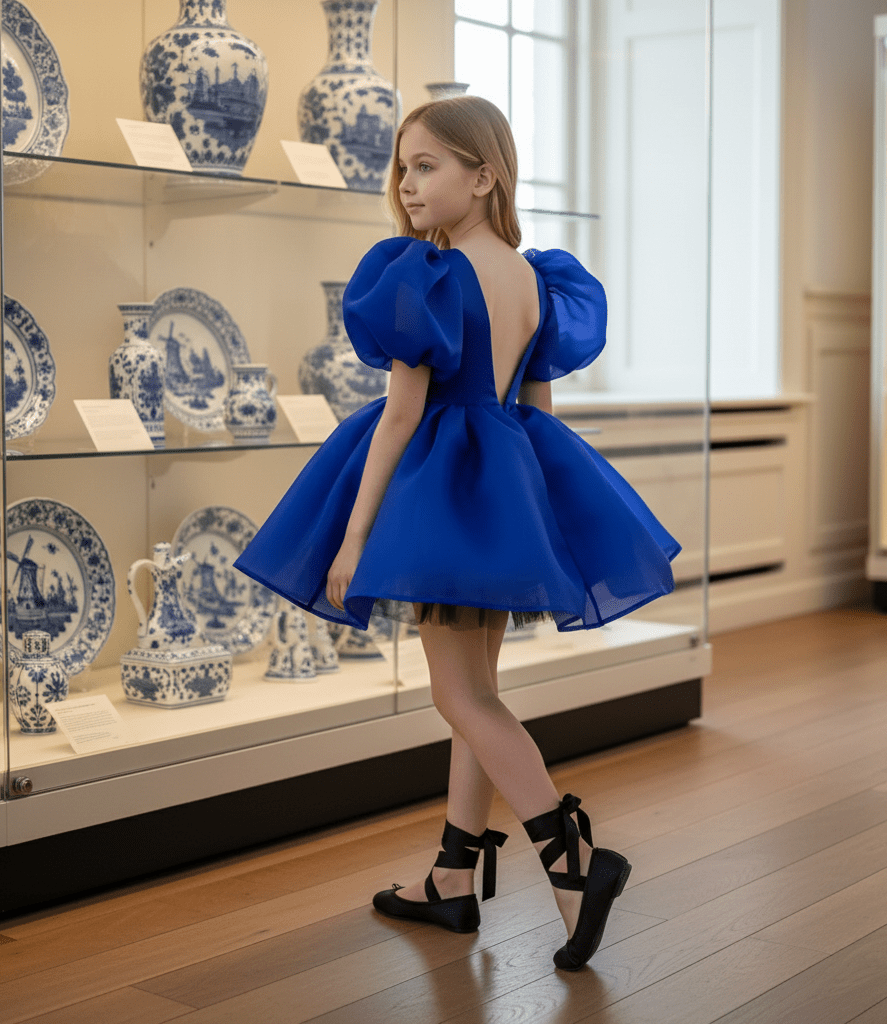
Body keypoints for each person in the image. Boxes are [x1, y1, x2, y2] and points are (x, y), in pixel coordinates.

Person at [234, 96, 680, 971]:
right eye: (403, 167)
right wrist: (537, 528)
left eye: (428, 165)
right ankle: (451, 878)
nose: (407, 183)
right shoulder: (533, 278)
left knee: (460, 698)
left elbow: (400, 417)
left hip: (441, 495)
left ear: (485, 176)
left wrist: (354, 539)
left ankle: (573, 863)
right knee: (477, 697)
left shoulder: (427, 277)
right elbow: (535, 412)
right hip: (504, 496)